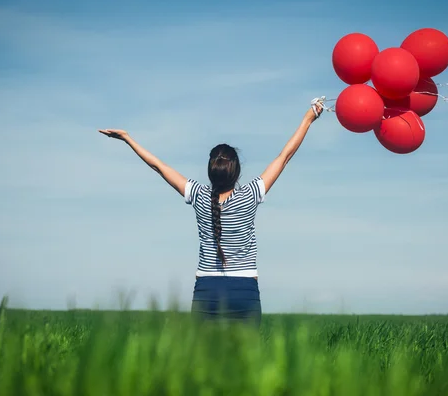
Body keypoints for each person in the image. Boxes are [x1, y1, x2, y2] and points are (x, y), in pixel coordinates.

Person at [98, 101, 324, 327]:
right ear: (236, 171)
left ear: (210, 171)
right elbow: (284, 157)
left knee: (202, 363)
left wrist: (128, 139)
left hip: (207, 291)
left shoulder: (198, 194)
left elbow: (158, 166)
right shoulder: (251, 194)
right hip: (244, 292)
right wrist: (308, 118)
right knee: (246, 362)